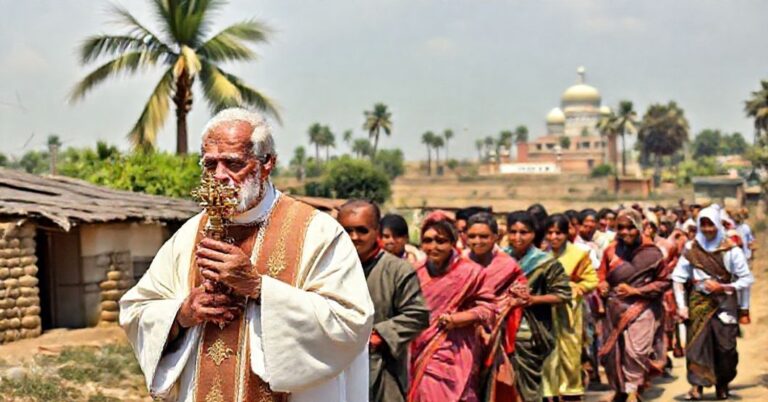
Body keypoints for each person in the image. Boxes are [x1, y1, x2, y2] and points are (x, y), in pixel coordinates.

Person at [119, 108, 374, 402]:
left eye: (233, 163)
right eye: (210, 164)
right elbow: (136, 310)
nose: (219, 176)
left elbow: (350, 322)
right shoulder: (190, 234)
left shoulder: (317, 232)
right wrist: (182, 313)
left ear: (267, 163)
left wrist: (258, 286)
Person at [338, 201, 431, 402]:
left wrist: (380, 334)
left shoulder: (398, 270)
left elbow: (418, 314)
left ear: (377, 231)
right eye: (347, 230)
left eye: (362, 230)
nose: (354, 237)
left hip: (382, 368)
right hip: (337, 366)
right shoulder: (328, 268)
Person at [408, 212, 496, 401]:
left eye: (441, 241)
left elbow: (489, 309)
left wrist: (458, 319)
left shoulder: (471, 272)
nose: (433, 246)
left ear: (453, 242)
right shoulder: (414, 272)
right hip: (419, 349)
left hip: (456, 350)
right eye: (428, 240)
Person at [672, 205, 754, 400]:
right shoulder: (691, 249)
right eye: (704, 225)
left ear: (718, 225)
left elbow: (746, 279)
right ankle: (696, 386)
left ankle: (722, 384)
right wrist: (682, 306)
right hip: (698, 303)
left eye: (711, 225)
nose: (708, 229)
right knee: (697, 346)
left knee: (726, 349)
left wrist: (724, 288)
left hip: (725, 305)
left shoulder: (731, 250)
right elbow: (678, 278)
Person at [597, 208, 669, 402]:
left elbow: (664, 281)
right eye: (621, 227)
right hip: (615, 308)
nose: (625, 232)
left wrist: (636, 291)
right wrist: (602, 284)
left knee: (636, 351)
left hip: (642, 307)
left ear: (639, 227)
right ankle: (620, 389)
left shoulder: (652, 253)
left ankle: (632, 390)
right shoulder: (611, 250)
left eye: (630, 227)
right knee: (614, 352)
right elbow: (601, 275)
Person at [505, 211, 571, 402]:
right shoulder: (501, 259)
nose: (517, 237)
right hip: (500, 331)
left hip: (528, 332)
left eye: (523, 232)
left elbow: (563, 295)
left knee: (529, 389)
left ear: (534, 234)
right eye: (513, 232)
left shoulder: (545, 262)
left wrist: (532, 300)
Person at [464, 212, 529, 402]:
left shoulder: (507, 266)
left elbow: (520, 295)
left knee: (491, 386)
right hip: (461, 337)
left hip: (494, 337)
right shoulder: (458, 263)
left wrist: (508, 304)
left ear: (496, 237)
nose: (477, 241)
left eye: (484, 236)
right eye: (472, 236)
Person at [542, 214, 598, 402]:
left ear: (567, 234)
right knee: (548, 353)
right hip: (546, 311)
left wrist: (576, 288)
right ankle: (549, 393)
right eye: (550, 233)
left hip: (569, 312)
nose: (554, 237)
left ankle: (571, 391)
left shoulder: (578, 254)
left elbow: (591, 280)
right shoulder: (541, 255)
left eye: (558, 233)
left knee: (570, 352)